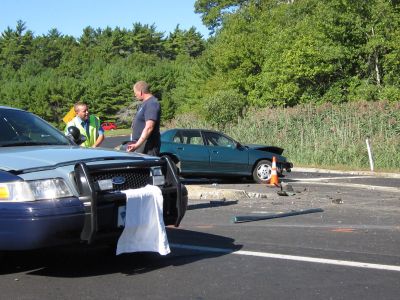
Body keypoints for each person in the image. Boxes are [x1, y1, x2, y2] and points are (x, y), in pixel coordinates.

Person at [127, 81, 161, 156]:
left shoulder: (152, 103)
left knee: (146, 168)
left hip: (148, 148)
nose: (135, 95)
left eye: (135, 92)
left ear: (141, 92)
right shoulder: (144, 104)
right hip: (141, 146)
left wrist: (137, 145)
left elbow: (149, 127)